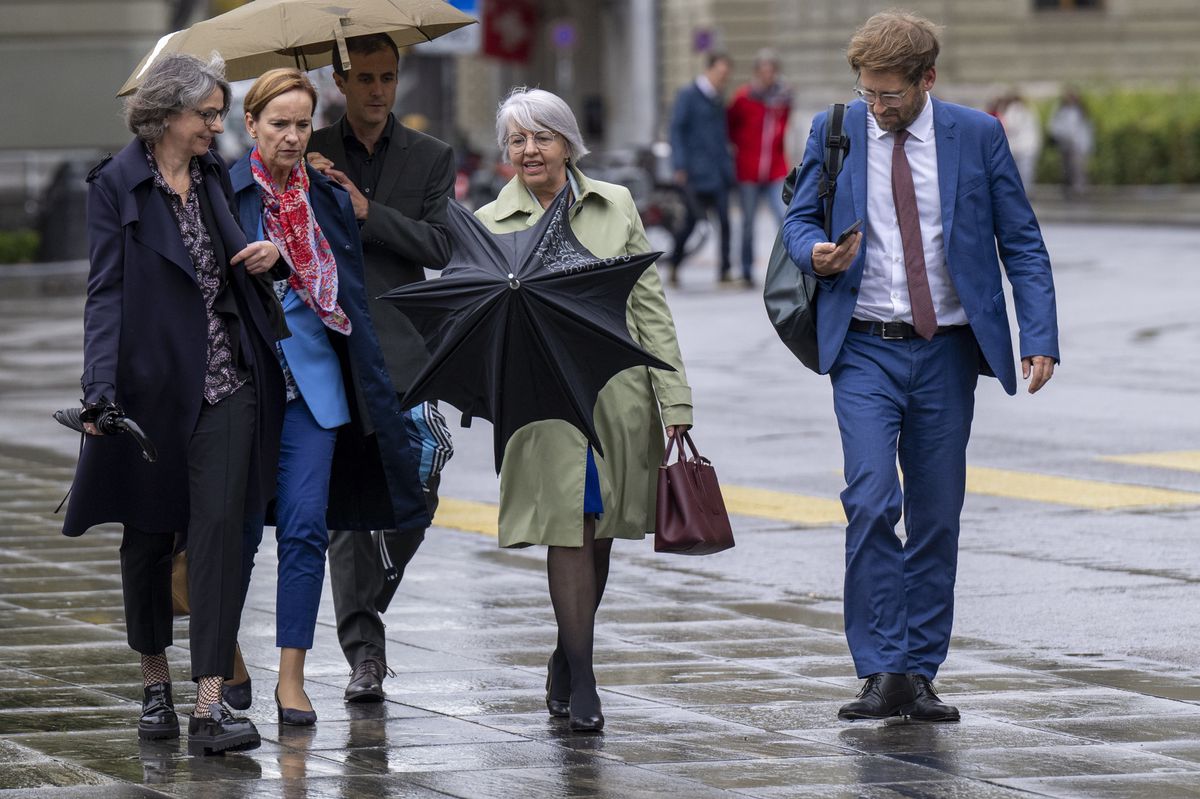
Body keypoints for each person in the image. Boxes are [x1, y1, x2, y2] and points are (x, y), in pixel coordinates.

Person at [781, 10, 1059, 722]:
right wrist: (813, 250)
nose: (877, 107)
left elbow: (1020, 241)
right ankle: (879, 669)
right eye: (868, 93)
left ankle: (920, 671)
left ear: (926, 79)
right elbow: (798, 216)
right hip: (864, 346)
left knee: (937, 515)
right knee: (872, 499)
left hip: (947, 350)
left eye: (890, 96)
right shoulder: (835, 129)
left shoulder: (978, 134)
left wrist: (1040, 334)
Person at [62, 53, 287, 754]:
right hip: (150, 388)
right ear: (165, 115)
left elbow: (228, 257)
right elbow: (105, 294)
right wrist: (98, 389)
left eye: (221, 114)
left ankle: (209, 703)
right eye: (207, 115)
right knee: (151, 538)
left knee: (219, 535)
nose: (218, 127)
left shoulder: (215, 173)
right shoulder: (115, 186)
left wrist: (263, 257)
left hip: (228, 379)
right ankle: (155, 683)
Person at [475, 88, 693, 733]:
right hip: (543, 405)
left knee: (598, 531)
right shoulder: (490, 222)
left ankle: (567, 656)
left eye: (542, 136)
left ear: (569, 142)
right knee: (568, 527)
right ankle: (586, 674)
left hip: (616, 395)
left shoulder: (615, 204)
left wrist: (674, 396)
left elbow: (648, 306)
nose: (529, 150)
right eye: (517, 139)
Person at [229, 68, 431, 725]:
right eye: (278, 124)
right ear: (251, 125)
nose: (291, 137)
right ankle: (221, 655)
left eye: (301, 123)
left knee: (307, 529)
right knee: (231, 535)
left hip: (316, 387)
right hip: (242, 383)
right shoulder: (221, 191)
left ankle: (292, 678)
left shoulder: (326, 194)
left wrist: (291, 265)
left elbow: (344, 293)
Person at [305, 33, 455, 703]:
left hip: (404, 350)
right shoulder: (310, 151)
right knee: (346, 511)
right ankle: (364, 652)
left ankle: (370, 604)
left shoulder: (431, 156)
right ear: (340, 81)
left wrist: (369, 214)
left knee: (418, 489)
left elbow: (443, 245)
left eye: (388, 77)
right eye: (364, 77)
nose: (377, 90)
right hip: (331, 348)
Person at [668, 52, 735, 287]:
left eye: (726, 75)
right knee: (691, 223)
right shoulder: (688, 95)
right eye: (720, 74)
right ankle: (674, 264)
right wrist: (679, 165)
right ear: (709, 70)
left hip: (718, 173)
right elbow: (676, 130)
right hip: (695, 174)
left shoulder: (717, 97)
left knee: (725, 222)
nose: (723, 79)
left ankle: (725, 271)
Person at [726, 49, 792, 285]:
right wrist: (739, 150)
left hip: (775, 169)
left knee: (785, 217)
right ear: (756, 73)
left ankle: (788, 270)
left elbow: (784, 129)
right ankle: (745, 270)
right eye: (763, 72)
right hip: (748, 171)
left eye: (771, 71)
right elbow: (730, 126)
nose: (767, 76)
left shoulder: (783, 98)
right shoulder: (744, 98)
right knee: (748, 223)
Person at [1049, 88, 1093, 199]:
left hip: (1078, 144)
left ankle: (1079, 189)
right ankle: (1069, 189)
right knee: (1066, 168)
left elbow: (1085, 130)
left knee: (1078, 168)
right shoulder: (1060, 110)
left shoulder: (1081, 111)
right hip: (1065, 144)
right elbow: (1054, 125)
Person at [997, 91, 1042, 194]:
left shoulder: (1015, 108)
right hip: (1027, 146)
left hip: (1021, 146)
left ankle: (1022, 194)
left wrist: (1001, 110)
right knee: (1026, 174)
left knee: (1020, 174)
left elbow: (1008, 126)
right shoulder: (1029, 109)